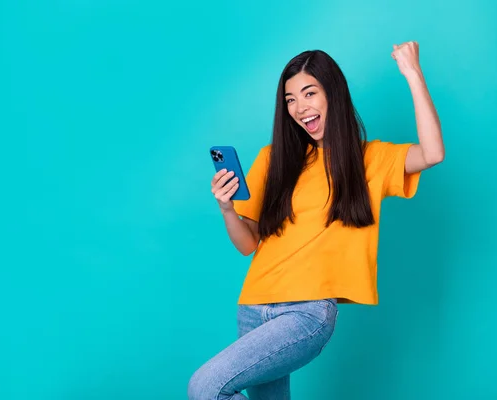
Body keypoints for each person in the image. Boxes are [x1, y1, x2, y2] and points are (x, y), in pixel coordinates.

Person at [188, 42, 444, 399]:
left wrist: (413, 74)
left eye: (309, 93)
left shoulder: (368, 160)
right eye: (290, 99)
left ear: (333, 95)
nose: (299, 107)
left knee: (205, 386)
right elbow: (248, 245)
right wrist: (227, 209)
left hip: (305, 313)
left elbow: (432, 153)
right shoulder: (274, 159)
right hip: (252, 307)